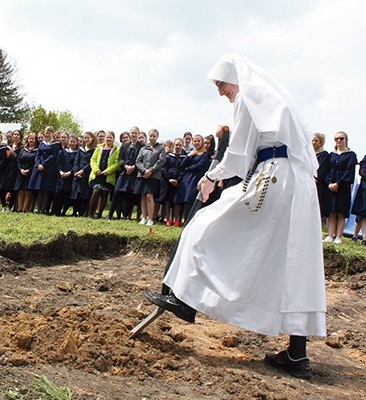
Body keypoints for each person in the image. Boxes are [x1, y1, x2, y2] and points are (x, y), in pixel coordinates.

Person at [146, 54, 326, 380]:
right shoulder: (274, 100)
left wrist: (211, 177)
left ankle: (185, 299)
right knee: (292, 261)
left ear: (236, 79)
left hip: (273, 176)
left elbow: (239, 154)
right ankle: (297, 354)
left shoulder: (249, 97)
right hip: (296, 184)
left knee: (203, 226)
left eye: (221, 85)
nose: (221, 93)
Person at [323, 131, 357, 244]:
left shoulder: (351, 155)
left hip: (343, 188)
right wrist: (329, 183)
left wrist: (338, 183)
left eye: (341, 138)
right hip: (331, 187)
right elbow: (327, 170)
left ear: (346, 140)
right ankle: (330, 235)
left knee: (341, 212)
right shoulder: (331, 155)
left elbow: (349, 172)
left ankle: (338, 236)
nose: (339, 140)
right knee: (331, 212)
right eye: (336, 138)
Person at [109, 127, 143, 220]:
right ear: (130, 134)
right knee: (117, 192)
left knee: (130, 194)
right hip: (125, 172)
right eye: (132, 133)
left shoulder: (142, 146)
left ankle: (126, 216)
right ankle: (110, 215)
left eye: (136, 133)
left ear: (138, 134)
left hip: (135, 173)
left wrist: (134, 167)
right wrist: (126, 166)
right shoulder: (124, 146)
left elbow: (142, 160)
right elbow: (120, 159)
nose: (134, 135)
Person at [134, 129, 166, 226]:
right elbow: (138, 161)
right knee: (143, 195)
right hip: (142, 174)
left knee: (149, 196)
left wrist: (151, 170)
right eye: (151, 136)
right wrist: (144, 170)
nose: (152, 137)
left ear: (157, 137)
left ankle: (150, 219)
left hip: (154, 176)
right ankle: (143, 217)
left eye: (154, 136)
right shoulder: (143, 149)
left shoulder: (161, 148)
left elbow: (161, 161)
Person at [88, 131, 119, 219]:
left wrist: (107, 171)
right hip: (97, 175)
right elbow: (93, 160)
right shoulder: (98, 148)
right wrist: (96, 170)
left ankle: (100, 214)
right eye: (107, 137)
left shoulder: (116, 150)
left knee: (105, 194)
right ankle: (90, 214)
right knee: (96, 191)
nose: (108, 139)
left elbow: (117, 163)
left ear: (113, 139)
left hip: (107, 176)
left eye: (110, 137)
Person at [312, 132, 331, 221]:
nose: (313, 142)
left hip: (318, 184)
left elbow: (322, 169)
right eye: (312, 140)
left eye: (316, 141)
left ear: (320, 142)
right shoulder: (308, 154)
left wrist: (314, 177)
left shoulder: (324, 155)